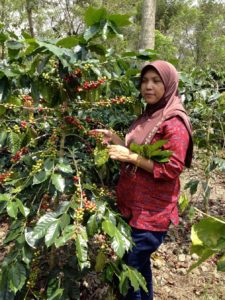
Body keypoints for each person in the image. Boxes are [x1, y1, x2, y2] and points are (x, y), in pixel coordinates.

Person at [91, 60, 193, 300]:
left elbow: (171, 169)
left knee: (130, 270)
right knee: (138, 267)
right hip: (134, 207)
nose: (148, 86)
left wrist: (131, 157)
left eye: (156, 81)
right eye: (144, 81)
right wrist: (114, 138)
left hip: (150, 214)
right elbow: (134, 150)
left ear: (169, 84)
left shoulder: (174, 122)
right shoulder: (149, 115)